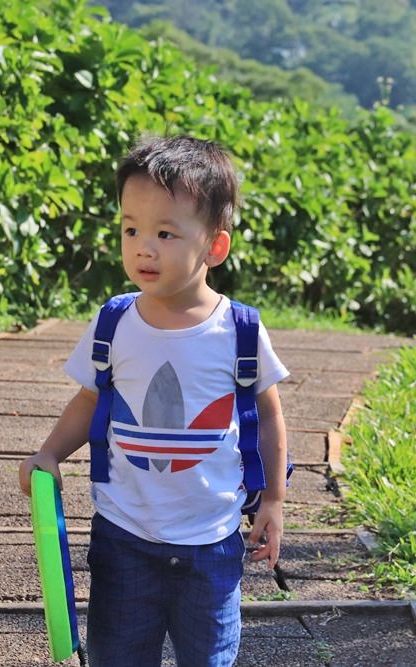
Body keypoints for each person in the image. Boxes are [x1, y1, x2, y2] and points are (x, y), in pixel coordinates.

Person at [18, 135, 289, 667]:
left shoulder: (239, 331)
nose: (144, 246)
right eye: (131, 229)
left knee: (208, 657)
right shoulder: (115, 322)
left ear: (214, 246)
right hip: (125, 534)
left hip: (211, 540)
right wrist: (49, 453)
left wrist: (274, 501)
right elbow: (88, 399)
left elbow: (271, 415)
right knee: (117, 654)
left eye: (165, 233)